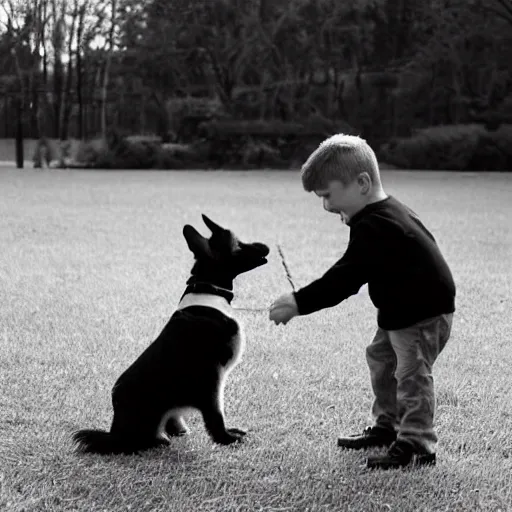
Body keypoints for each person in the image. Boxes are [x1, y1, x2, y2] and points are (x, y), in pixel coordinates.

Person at [269, 134, 456, 470]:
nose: (326, 206)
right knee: (383, 361)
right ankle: (388, 427)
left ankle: (417, 444)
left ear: (362, 183)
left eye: (328, 195)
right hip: (400, 310)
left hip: (422, 313)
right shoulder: (381, 215)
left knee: (411, 375)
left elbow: (345, 278)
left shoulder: (377, 226)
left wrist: (298, 302)